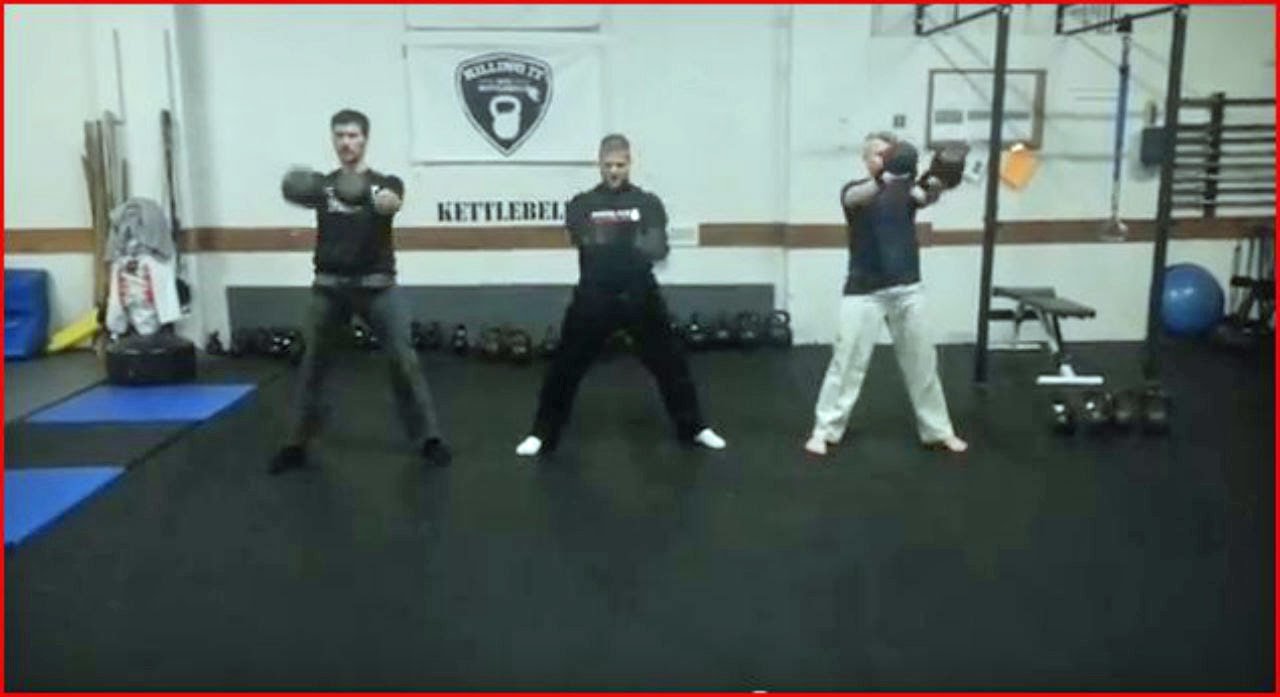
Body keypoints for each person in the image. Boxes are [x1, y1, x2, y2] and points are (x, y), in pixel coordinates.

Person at [515, 134, 727, 457]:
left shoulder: (648, 202)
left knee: (670, 363)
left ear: (630, 164)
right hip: (594, 296)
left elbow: (657, 249)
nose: (614, 171)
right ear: (599, 164)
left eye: (620, 165)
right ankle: (541, 434)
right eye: (609, 165)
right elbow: (590, 244)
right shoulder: (581, 204)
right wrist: (629, 238)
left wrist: (613, 239)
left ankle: (695, 427)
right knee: (565, 367)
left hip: (639, 294)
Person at [270, 109, 451, 473]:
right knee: (312, 364)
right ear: (333, 140)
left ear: (365, 139)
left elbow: (392, 199)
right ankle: (296, 443)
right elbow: (296, 190)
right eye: (340, 136)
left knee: (404, 361)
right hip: (329, 287)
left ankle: (429, 439)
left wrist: (387, 202)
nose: (346, 142)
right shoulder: (323, 186)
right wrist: (294, 186)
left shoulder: (386, 182)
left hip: (377, 286)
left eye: (353, 135)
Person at [804, 132, 968, 457]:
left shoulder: (907, 191)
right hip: (864, 292)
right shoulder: (853, 192)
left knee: (923, 363)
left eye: (889, 153)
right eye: (879, 154)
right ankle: (824, 431)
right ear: (867, 160)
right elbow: (863, 194)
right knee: (846, 363)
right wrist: (887, 174)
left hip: (907, 288)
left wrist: (942, 176)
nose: (885, 158)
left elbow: (928, 194)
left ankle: (939, 431)